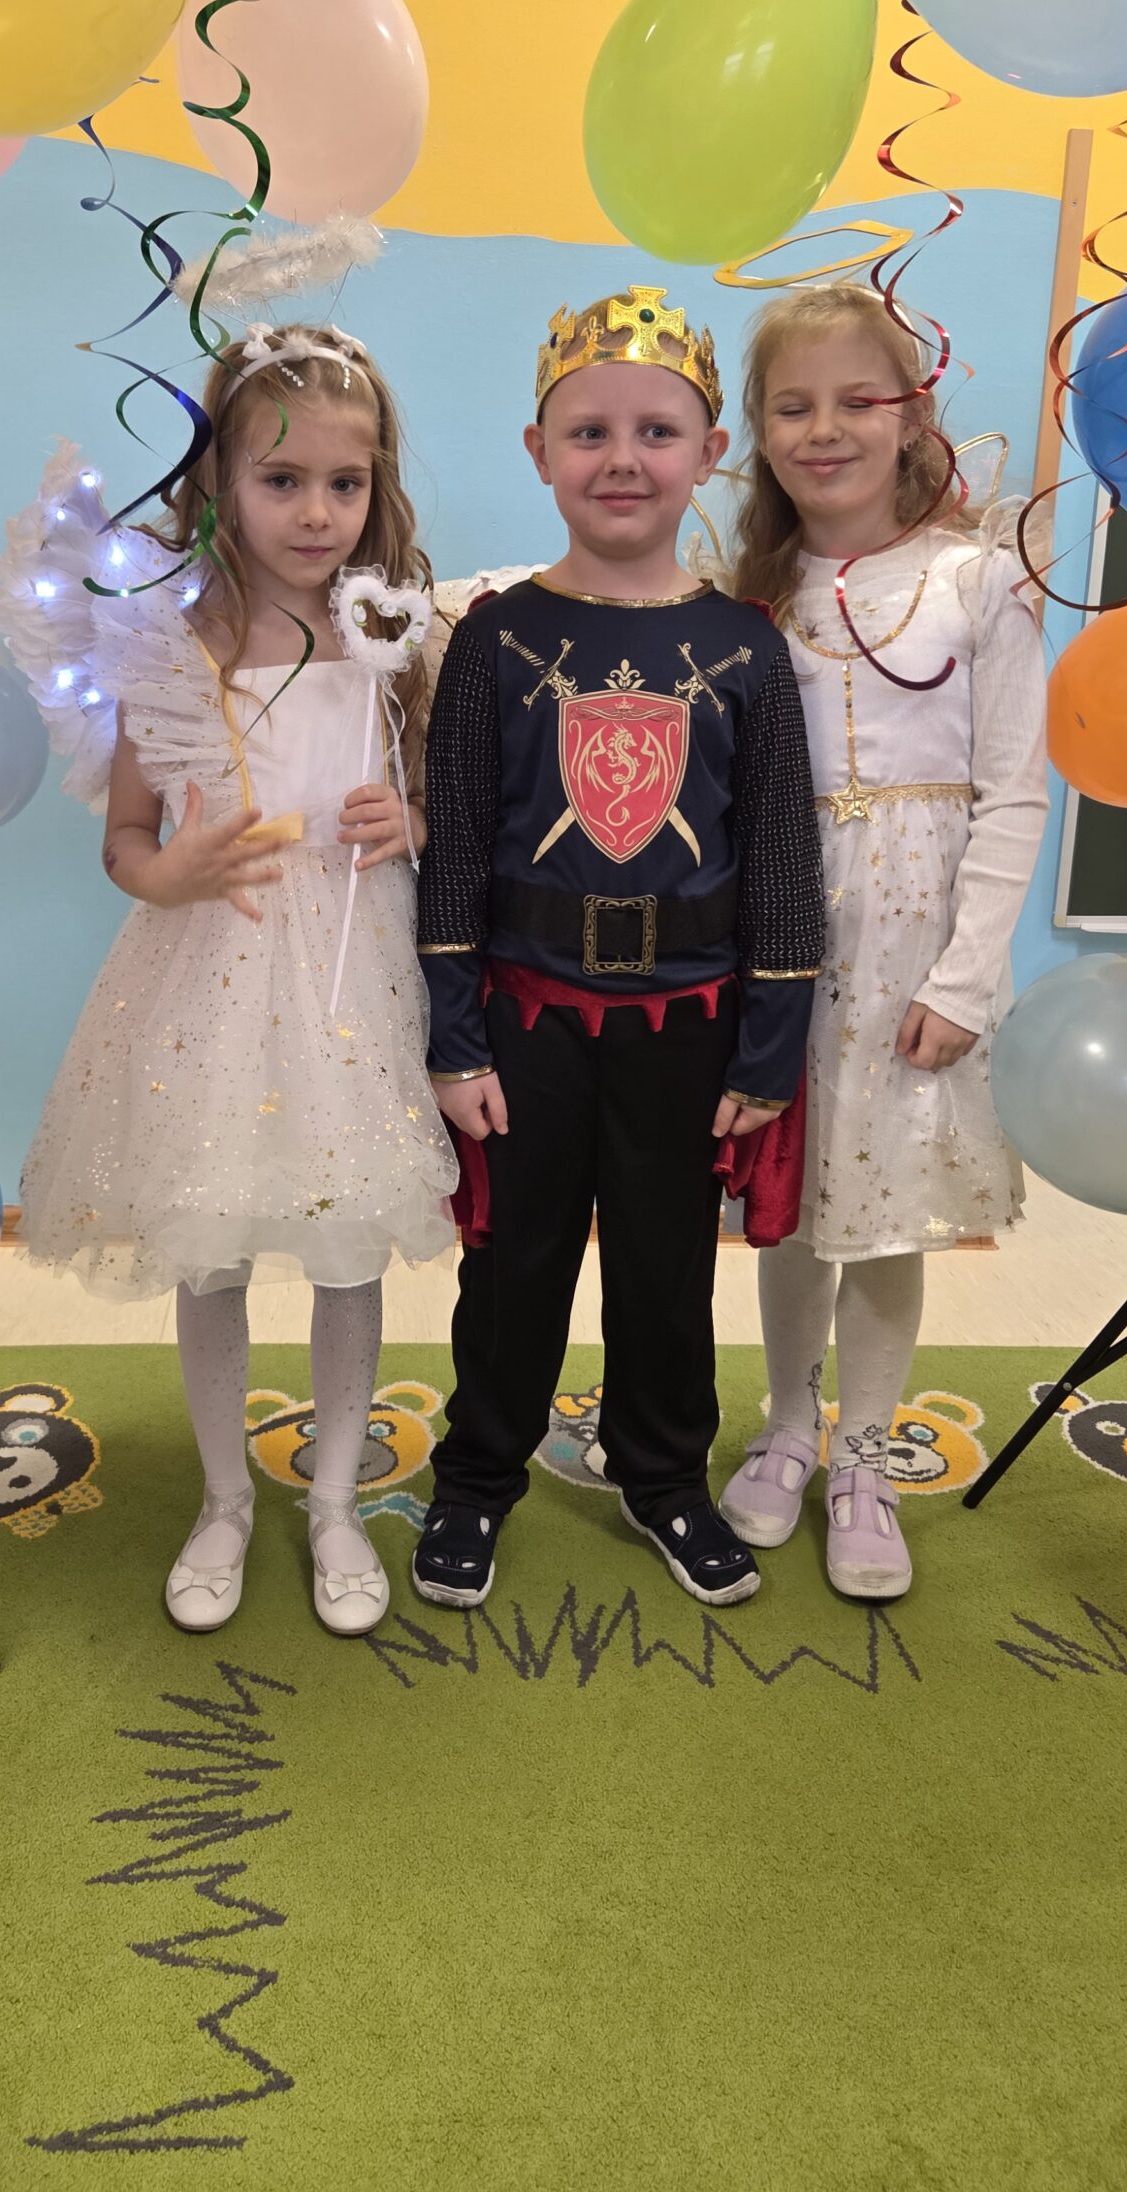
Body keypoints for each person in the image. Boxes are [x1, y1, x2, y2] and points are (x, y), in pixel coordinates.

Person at [0, 324, 456, 1640]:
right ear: (219, 482)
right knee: (212, 1247)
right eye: (281, 479)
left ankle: (334, 1500)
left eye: (345, 484)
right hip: (212, 968)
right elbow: (126, 844)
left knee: (347, 1243)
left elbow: (440, 801)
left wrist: (413, 823)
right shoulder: (170, 643)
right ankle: (225, 1498)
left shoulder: (394, 633)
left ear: (377, 487)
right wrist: (169, 871)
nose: (316, 512)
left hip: (351, 968)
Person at [411, 285, 824, 1612]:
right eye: (589, 432)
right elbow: (456, 848)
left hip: (690, 1024)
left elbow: (782, 860)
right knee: (513, 1265)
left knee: (665, 1268)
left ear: (711, 453)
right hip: (524, 1018)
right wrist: (454, 1038)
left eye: (658, 431)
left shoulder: (745, 647)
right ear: (539, 452)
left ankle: (664, 1477)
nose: (623, 459)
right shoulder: (495, 637)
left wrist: (768, 1051)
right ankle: (478, 1477)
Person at [718, 283, 1047, 1600]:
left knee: (887, 1213)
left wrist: (966, 978)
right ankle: (787, 1426)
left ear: (911, 414)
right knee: (792, 1208)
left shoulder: (978, 580)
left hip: (917, 947)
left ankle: (864, 1453)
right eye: (793, 406)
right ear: (758, 430)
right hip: (785, 938)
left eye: (858, 400)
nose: (825, 429)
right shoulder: (747, 595)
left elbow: (1014, 793)